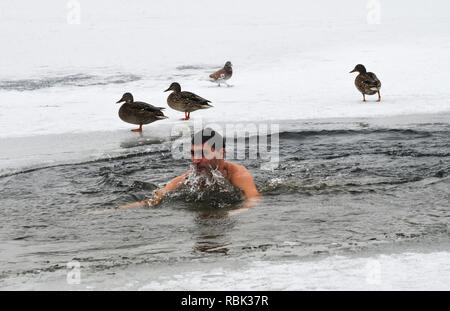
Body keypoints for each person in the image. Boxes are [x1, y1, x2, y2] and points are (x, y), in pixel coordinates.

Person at [120, 129, 261, 212]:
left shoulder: (237, 174)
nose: (195, 160)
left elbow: (254, 199)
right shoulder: (188, 179)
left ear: (221, 153)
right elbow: (153, 200)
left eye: (203, 154)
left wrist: (238, 211)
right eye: (193, 153)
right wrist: (110, 212)